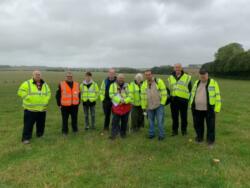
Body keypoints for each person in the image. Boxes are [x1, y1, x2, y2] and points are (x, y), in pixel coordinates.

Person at [190, 68, 222, 148]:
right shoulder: (196, 83)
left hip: (209, 109)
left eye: (204, 76)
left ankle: (210, 141)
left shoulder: (213, 83)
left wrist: (217, 108)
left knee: (210, 126)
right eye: (201, 76)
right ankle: (199, 138)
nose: (203, 78)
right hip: (197, 108)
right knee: (197, 124)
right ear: (199, 75)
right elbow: (192, 95)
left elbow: (218, 96)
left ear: (207, 75)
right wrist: (191, 105)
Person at [17, 70, 51, 144]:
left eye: (39, 74)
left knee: (41, 124)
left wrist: (46, 100)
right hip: (30, 109)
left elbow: (48, 93)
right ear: (33, 75)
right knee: (28, 125)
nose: (38, 76)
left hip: (42, 109)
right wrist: (27, 97)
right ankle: (26, 138)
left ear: (41, 75)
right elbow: (20, 91)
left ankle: (40, 135)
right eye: (36, 74)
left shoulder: (45, 84)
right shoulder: (27, 83)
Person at [141, 70, 167, 140]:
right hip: (149, 106)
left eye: (149, 74)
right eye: (146, 75)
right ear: (145, 76)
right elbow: (143, 96)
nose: (148, 76)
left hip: (159, 105)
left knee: (160, 121)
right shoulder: (143, 84)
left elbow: (164, 92)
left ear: (152, 75)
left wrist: (162, 103)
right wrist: (143, 107)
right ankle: (151, 134)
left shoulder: (158, 81)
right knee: (150, 121)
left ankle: (161, 135)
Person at [167, 63, 192, 136]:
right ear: (174, 68)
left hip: (183, 100)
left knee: (184, 117)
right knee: (174, 117)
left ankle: (184, 131)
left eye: (179, 67)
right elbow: (170, 89)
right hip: (174, 100)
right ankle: (175, 131)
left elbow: (190, 89)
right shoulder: (170, 78)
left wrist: (188, 99)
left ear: (181, 68)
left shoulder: (187, 77)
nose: (177, 69)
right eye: (176, 67)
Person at [109, 74, 131, 139]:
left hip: (126, 107)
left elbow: (130, 95)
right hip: (117, 107)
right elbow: (111, 95)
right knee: (114, 122)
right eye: (120, 78)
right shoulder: (112, 85)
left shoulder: (127, 86)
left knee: (124, 122)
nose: (121, 79)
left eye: (122, 78)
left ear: (124, 79)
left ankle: (123, 134)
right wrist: (119, 100)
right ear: (117, 78)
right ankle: (113, 135)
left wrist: (125, 100)